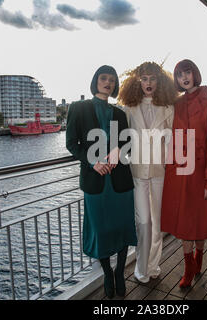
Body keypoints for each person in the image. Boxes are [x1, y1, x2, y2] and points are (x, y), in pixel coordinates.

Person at [66, 65, 137, 298]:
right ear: (96, 80)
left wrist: (118, 149)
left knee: (123, 227)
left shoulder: (119, 113)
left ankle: (119, 273)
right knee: (102, 229)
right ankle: (107, 272)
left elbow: (127, 143)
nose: (108, 82)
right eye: (103, 78)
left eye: (112, 79)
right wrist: (92, 161)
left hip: (119, 181)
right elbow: (72, 143)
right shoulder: (79, 108)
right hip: (95, 181)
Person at [161, 59, 207, 288]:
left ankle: (199, 256)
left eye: (187, 72)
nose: (184, 78)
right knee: (185, 223)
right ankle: (189, 266)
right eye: (179, 75)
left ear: (195, 73)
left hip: (204, 172)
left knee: (201, 221)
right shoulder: (176, 105)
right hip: (182, 173)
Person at [118, 62, 177, 283]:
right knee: (143, 222)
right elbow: (122, 139)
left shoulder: (168, 107)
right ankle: (141, 269)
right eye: (144, 79)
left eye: (152, 78)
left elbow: (173, 139)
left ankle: (153, 266)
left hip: (160, 171)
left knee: (157, 223)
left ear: (159, 81)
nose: (148, 83)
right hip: (137, 171)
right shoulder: (129, 108)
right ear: (137, 81)